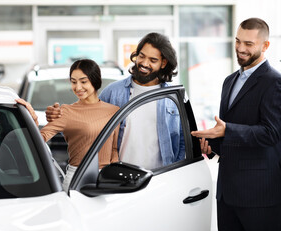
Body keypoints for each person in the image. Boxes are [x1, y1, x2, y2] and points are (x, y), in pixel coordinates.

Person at [191, 18, 281, 231]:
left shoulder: (276, 83)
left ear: (265, 46)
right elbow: (228, 131)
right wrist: (212, 145)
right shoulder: (229, 81)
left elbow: (271, 133)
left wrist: (227, 131)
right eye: (238, 41)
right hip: (227, 193)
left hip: (259, 195)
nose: (240, 48)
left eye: (248, 43)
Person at [46, 32, 185, 169]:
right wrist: (58, 115)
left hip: (161, 178)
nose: (144, 63)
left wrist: (176, 172)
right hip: (118, 179)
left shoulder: (173, 97)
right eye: (141, 56)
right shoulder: (113, 92)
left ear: (163, 63)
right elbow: (87, 121)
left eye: (153, 60)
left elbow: (183, 141)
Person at [17, 59, 119, 192]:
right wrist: (33, 119)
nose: (78, 87)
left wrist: (116, 177)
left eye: (83, 81)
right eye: (73, 82)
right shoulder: (65, 112)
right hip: (77, 178)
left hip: (107, 178)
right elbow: (39, 139)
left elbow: (114, 150)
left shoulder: (114, 111)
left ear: (95, 81)